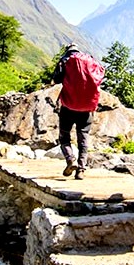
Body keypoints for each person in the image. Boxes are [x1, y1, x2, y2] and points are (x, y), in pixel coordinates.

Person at [52, 42, 103, 179]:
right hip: (87, 107)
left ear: (67, 50)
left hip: (68, 105)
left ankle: (70, 159)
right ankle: (81, 169)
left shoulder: (65, 61)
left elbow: (56, 79)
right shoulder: (89, 60)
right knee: (83, 136)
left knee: (64, 136)